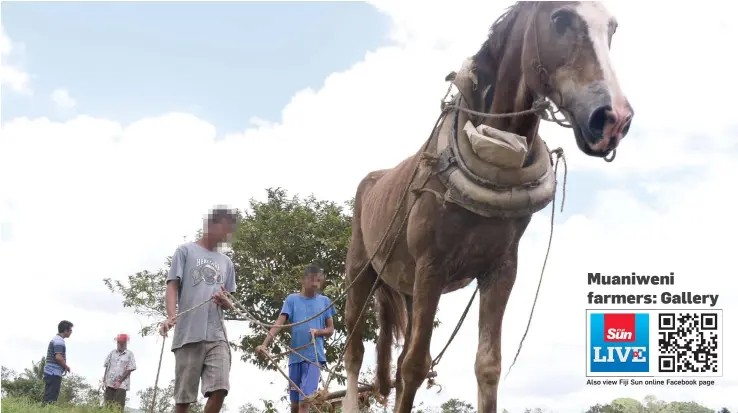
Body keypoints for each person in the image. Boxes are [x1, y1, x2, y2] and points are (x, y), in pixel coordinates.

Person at [159, 206, 238, 413]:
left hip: (217, 334)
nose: (227, 235)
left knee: (220, 387)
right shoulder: (185, 251)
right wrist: (171, 316)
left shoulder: (227, 262)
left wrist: (225, 301)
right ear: (211, 225)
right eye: (225, 229)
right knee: (184, 399)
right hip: (189, 334)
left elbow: (229, 300)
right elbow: (172, 285)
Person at [256, 263, 335, 413]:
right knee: (294, 405)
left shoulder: (324, 301)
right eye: (312, 279)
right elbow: (279, 323)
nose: (314, 284)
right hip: (295, 358)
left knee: (305, 400)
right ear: (303, 280)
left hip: (314, 357)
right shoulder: (291, 299)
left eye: (318, 281)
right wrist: (264, 344)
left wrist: (318, 332)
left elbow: (330, 329)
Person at [102, 334, 137, 411]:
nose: (120, 344)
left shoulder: (129, 354)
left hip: (121, 385)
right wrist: (104, 380)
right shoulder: (112, 353)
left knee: (118, 407)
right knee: (107, 407)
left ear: (125, 343)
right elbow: (107, 366)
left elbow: (131, 368)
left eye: (122, 343)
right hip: (109, 383)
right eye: (119, 342)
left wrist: (119, 381)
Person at [42, 320, 73, 405]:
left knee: (49, 396)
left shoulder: (57, 339)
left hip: (51, 372)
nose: (71, 332)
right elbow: (58, 357)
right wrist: (66, 366)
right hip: (53, 372)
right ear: (66, 330)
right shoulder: (59, 340)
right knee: (50, 398)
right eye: (70, 330)